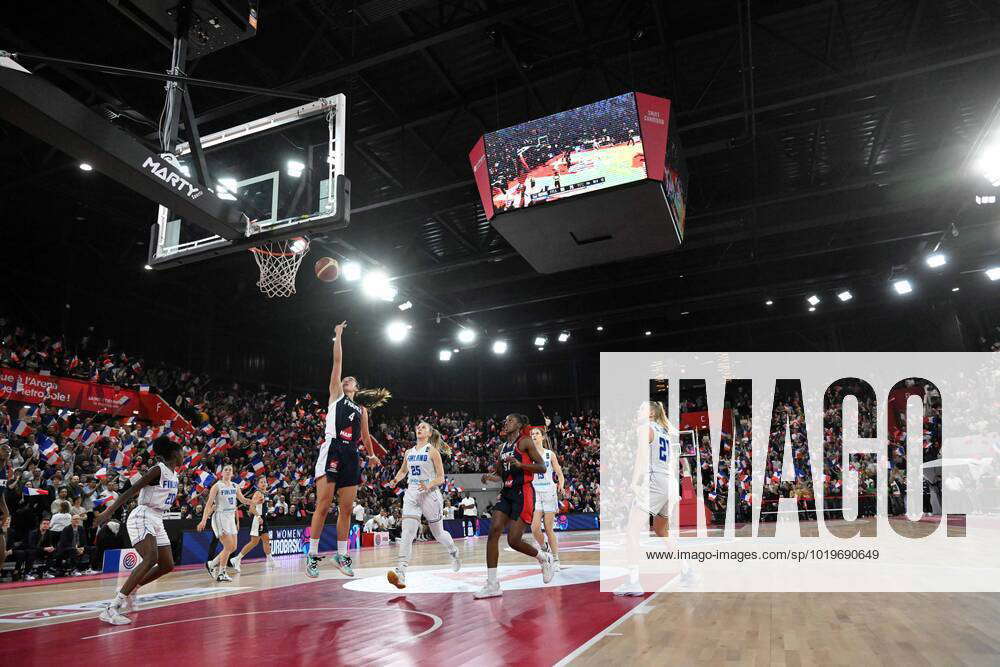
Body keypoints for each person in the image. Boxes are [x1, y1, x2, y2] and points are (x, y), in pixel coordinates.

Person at [305, 321, 381, 578]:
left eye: (352, 380)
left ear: (356, 388)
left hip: (352, 453)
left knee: (346, 508)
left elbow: (366, 435)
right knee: (324, 506)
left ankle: (342, 553)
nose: (347, 379)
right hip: (333, 448)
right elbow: (337, 363)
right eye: (346, 378)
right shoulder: (336, 395)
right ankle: (313, 555)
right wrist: (337, 335)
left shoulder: (362, 409)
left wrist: (370, 455)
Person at [94, 436, 183, 625]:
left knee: (167, 565)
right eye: (181, 452)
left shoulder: (174, 475)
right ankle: (112, 607)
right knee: (150, 558)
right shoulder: (158, 469)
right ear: (174, 453)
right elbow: (131, 490)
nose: (183, 455)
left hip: (158, 518)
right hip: (143, 515)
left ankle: (133, 588)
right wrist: (109, 511)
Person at [475, 414, 554, 599]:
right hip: (507, 492)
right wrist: (490, 476)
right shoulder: (502, 448)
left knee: (513, 540)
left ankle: (543, 558)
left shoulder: (525, 442)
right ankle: (492, 584)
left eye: (510, 420)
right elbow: (502, 474)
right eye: (505, 420)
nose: (506, 422)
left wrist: (521, 464)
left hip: (523, 492)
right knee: (493, 530)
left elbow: (542, 467)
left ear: (519, 425)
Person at [615, 401, 681, 596]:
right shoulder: (665, 430)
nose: (638, 410)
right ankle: (687, 569)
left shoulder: (645, 428)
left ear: (651, 413)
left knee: (631, 532)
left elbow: (641, 459)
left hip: (655, 482)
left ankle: (633, 582)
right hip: (670, 483)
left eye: (641, 408)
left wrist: (634, 483)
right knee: (662, 531)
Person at [386, 422, 460, 589]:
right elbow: (403, 471)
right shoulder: (409, 452)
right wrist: (395, 480)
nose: (419, 428)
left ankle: (454, 552)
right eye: (417, 426)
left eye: (423, 427)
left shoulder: (432, 451)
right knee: (407, 533)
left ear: (429, 433)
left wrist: (429, 484)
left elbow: (441, 477)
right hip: (412, 493)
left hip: (430, 494)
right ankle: (401, 572)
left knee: (438, 533)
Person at [197, 464, 252, 582]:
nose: (228, 471)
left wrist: (254, 501)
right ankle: (221, 573)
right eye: (225, 470)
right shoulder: (217, 486)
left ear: (232, 473)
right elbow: (208, 504)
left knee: (233, 547)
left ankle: (212, 564)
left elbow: (242, 500)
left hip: (231, 517)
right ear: (221, 473)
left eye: (230, 470)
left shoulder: (235, 486)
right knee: (228, 546)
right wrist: (203, 520)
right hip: (220, 516)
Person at [529, 426, 566, 572]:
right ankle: (545, 549)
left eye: (537, 433)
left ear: (542, 437)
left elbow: (559, 473)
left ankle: (556, 558)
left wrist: (561, 484)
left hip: (549, 491)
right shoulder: (528, 455)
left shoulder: (550, 454)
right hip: (536, 493)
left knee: (549, 528)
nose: (534, 435)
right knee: (534, 528)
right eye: (532, 434)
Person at [231, 476, 274, 572]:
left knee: (266, 539)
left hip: (263, 519)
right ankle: (236, 559)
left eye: (265, 482)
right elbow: (251, 508)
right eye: (261, 482)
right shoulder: (258, 493)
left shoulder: (265, 493)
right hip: (258, 519)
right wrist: (258, 517)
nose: (264, 483)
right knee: (254, 542)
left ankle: (271, 561)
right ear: (258, 484)